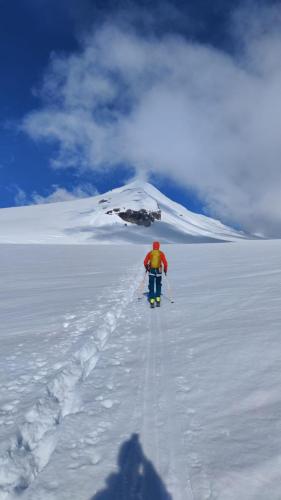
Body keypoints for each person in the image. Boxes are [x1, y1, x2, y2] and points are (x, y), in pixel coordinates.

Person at [143, 241, 168, 307]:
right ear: (159, 246)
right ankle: (158, 299)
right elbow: (165, 262)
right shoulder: (161, 253)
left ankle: (151, 300)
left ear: (153, 246)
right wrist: (165, 269)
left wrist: (146, 267)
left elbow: (145, 261)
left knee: (151, 284)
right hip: (159, 271)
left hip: (151, 270)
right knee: (158, 284)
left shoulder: (150, 253)